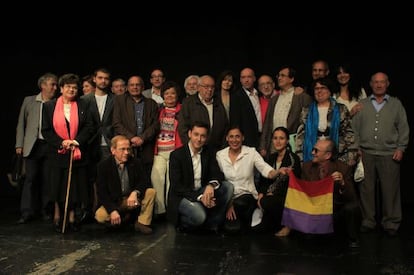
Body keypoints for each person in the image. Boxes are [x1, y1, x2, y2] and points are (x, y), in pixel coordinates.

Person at [352, 72, 409, 237]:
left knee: (390, 190)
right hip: (366, 153)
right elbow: (354, 129)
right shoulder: (362, 104)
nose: (378, 85)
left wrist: (401, 148)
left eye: (382, 82)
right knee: (366, 189)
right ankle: (368, 221)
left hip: (389, 154)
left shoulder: (396, 104)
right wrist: (356, 149)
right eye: (375, 82)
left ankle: (391, 222)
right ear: (370, 84)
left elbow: (403, 128)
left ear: (387, 84)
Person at [42, 73, 95, 233]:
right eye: (68, 87)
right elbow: (46, 130)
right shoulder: (49, 106)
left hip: (76, 152)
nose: (72, 90)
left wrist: (76, 141)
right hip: (57, 153)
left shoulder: (83, 105)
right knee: (58, 186)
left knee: (74, 188)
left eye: (74, 87)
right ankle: (58, 215)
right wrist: (62, 142)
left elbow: (89, 127)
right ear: (61, 88)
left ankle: (72, 216)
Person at [167, 121, 233, 233]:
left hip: (201, 191)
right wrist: (200, 197)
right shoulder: (177, 155)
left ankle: (212, 224)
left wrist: (210, 185)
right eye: (196, 134)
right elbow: (177, 186)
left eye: (203, 136)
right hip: (182, 196)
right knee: (199, 216)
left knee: (228, 187)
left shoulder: (209, 152)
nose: (199, 139)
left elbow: (217, 174)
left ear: (206, 138)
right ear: (189, 134)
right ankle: (184, 222)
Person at [216, 126, 278, 234]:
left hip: (246, 196)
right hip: (228, 198)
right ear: (227, 138)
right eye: (231, 137)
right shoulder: (220, 155)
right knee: (231, 230)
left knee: (241, 204)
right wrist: (229, 203)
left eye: (237, 137)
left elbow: (265, 169)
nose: (234, 140)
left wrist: (277, 172)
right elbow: (219, 180)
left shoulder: (251, 152)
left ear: (243, 138)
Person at [301, 138, 361, 248]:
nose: (312, 153)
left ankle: (352, 238)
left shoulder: (342, 168)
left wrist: (342, 183)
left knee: (352, 207)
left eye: (316, 150)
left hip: (334, 208)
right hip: (315, 208)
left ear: (328, 155)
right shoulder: (307, 167)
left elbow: (352, 197)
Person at [15, 72, 58, 224]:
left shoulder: (57, 102)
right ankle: (27, 212)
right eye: (52, 84)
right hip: (32, 145)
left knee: (47, 180)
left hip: (49, 145)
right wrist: (19, 144)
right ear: (43, 85)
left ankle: (45, 211)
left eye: (55, 84)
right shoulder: (29, 101)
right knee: (30, 179)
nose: (55, 87)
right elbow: (21, 124)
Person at [95, 135, 156, 234]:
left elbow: (144, 181)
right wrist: (112, 210)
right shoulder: (103, 166)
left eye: (128, 149)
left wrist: (135, 192)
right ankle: (122, 220)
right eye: (122, 149)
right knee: (100, 216)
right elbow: (102, 193)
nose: (126, 152)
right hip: (115, 202)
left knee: (150, 192)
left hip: (131, 200)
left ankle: (142, 223)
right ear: (113, 150)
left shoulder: (136, 162)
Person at [295, 77, 358, 166]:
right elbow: (301, 136)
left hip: (337, 157)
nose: (319, 91)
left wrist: (350, 158)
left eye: (323, 88)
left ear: (329, 90)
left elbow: (349, 135)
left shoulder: (341, 109)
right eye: (316, 88)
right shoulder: (306, 111)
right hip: (312, 157)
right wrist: (300, 159)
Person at [81, 67, 114, 221]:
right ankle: (88, 209)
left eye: (106, 78)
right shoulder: (84, 100)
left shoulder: (115, 99)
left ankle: (103, 208)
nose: (103, 81)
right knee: (89, 178)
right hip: (90, 144)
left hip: (108, 144)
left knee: (106, 178)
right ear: (94, 79)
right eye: (100, 78)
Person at [256, 126, 302, 236]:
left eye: (281, 138)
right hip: (269, 195)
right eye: (275, 138)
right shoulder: (270, 158)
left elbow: (293, 184)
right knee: (258, 231)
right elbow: (264, 179)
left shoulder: (293, 159)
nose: (278, 141)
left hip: (286, 197)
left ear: (287, 141)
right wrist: (261, 193)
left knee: (267, 202)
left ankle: (288, 225)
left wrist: (273, 193)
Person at [259, 66, 313, 159]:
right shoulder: (274, 99)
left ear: (291, 79)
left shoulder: (302, 97)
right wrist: (263, 146)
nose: (279, 78)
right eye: (278, 76)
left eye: (283, 76)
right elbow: (267, 124)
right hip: (274, 145)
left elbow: (308, 124)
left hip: (294, 145)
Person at [112, 75, 160, 178]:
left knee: (146, 179)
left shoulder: (151, 103)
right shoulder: (119, 101)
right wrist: (131, 137)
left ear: (143, 87)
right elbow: (116, 123)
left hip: (146, 147)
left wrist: (142, 138)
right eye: (132, 85)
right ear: (127, 88)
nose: (135, 87)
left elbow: (155, 125)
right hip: (127, 147)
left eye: (138, 85)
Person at [151, 81, 183, 220]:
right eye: (167, 93)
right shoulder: (158, 110)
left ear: (177, 95)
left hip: (175, 151)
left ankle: (171, 210)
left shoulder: (183, 110)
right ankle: (160, 211)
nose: (170, 96)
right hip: (160, 151)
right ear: (162, 95)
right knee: (157, 178)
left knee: (172, 181)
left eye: (173, 93)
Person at [178, 75, 228, 153]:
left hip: (217, 150)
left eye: (212, 87)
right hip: (195, 150)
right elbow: (182, 128)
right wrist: (192, 147)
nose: (210, 90)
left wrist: (222, 148)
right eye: (206, 87)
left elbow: (225, 127)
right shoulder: (188, 103)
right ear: (198, 88)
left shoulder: (219, 103)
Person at [230, 67, 262, 149]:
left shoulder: (259, 93)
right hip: (247, 141)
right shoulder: (236, 97)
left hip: (262, 138)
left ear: (254, 78)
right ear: (240, 80)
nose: (246, 80)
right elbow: (235, 121)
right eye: (243, 77)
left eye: (249, 77)